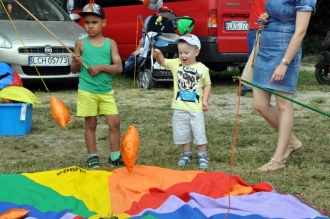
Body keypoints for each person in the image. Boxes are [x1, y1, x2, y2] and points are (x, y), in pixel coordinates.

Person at [252, 0, 316, 172]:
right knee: (259, 104)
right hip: (266, 48)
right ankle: (292, 142)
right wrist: (266, 18)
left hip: (285, 50)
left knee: (283, 105)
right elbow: (278, 12)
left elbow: (301, 31)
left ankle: (278, 159)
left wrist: (284, 63)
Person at [71, 3, 124, 169]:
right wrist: (76, 62)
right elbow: (73, 70)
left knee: (114, 123)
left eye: (94, 22)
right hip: (87, 91)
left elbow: (118, 68)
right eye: (87, 23)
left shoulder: (111, 43)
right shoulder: (80, 44)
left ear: (103, 23)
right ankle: (92, 156)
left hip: (106, 91)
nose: (90, 26)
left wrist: (101, 67)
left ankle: (115, 155)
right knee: (91, 124)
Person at [153, 34, 212, 168]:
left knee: (199, 132)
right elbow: (163, 62)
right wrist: (158, 54)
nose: (183, 55)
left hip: (196, 108)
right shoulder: (176, 64)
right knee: (183, 131)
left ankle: (202, 154)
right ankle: (187, 153)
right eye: (180, 52)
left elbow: (207, 84)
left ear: (196, 52)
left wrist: (205, 100)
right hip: (179, 107)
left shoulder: (203, 68)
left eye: (186, 52)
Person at [239, 0, 266, 96]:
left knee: (253, 58)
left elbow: (249, 2)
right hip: (266, 28)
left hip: (256, 27)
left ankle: (248, 87)